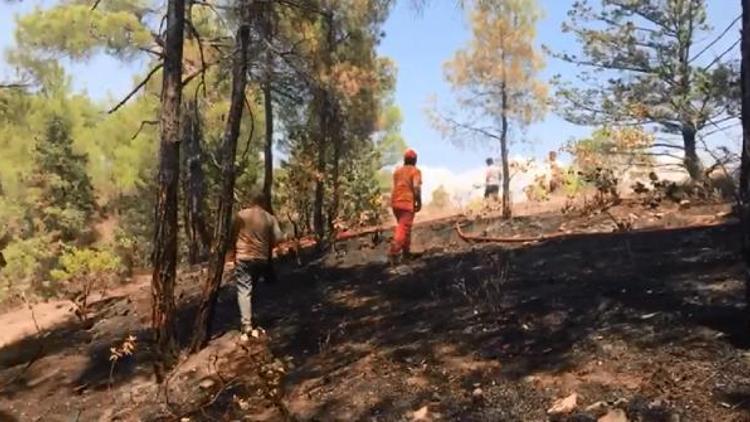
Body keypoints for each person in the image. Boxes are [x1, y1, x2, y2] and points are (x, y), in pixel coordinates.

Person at [225, 192, 283, 339]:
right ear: (263, 203)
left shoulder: (241, 215)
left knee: (244, 289)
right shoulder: (270, 218)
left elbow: (231, 236)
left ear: (252, 201)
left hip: (243, 257)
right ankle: (251, 319)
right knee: (252, 288)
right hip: (261, 258)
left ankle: (246, 325)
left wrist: (231, 254)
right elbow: (279, 238)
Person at [389, 149, 422, 264]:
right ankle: (394, 253)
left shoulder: (397, 172)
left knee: (405, 227)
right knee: (403, 228)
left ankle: (406, 254)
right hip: (406, 202)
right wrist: (419, 201)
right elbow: (416, 187)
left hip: (395, 203)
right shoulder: (415, 171)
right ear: (415, 160)